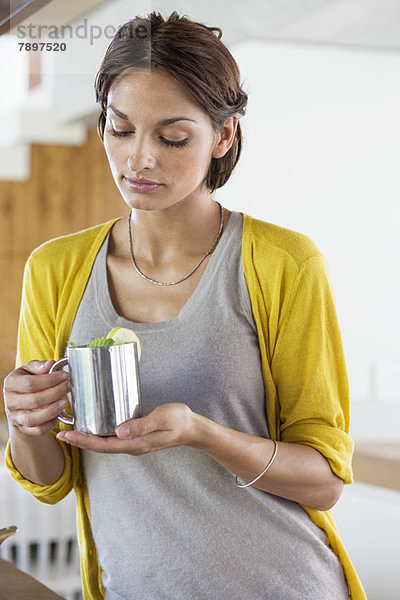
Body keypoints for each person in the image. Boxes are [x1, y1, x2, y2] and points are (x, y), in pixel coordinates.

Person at [3, 11, 366, 600]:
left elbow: (324, 482)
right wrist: (28, 418)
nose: (139, 159)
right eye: (120, 130)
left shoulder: (284, 263)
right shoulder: (56, 269)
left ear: (223, 136)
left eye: (172, 137)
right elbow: (50, 481)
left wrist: (202, 434)